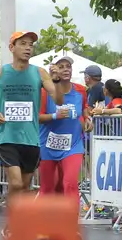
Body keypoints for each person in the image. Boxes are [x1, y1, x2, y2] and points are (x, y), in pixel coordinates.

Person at [0, 31, 62, 235]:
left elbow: (58, 100)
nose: (27, 48)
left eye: (31, 45)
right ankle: (13, 224)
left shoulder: (39, 73)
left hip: (31, 138)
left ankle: (14, 221)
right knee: (15, 182)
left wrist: (56, 82)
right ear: (12, 47)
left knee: (23, 187)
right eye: (23, 44)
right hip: (7, 136)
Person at [37, 56, 92, 213]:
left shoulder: (81, 90)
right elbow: (38, 118)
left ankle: (70, 225)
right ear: (53, 71)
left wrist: (87, 118)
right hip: (47, 145)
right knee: (48, 188)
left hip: (72, 145)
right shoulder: (43, 92)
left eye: (68, 66)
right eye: (61, 67)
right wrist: (55, 116)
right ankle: (44, 223)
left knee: (70, 183)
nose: (66, 69)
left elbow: (84, 108)